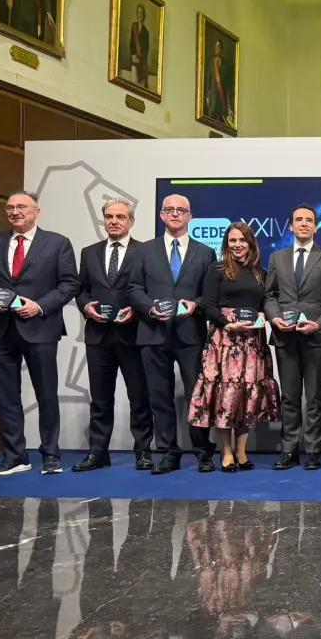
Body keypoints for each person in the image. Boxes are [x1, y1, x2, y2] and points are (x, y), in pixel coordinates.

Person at [0, 191, 78, 475]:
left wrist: (39, 306)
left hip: (40, 328)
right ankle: (15, 456)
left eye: (21, 207)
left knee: (46, 394)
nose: (15, 212)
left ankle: (51, 454)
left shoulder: (57, 243)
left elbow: (70, 284)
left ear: (36, 211)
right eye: (10, 208)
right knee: (6, 396)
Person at [126, 194, 218, 474]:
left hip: (190, 335)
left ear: (190, 217)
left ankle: (202, 451)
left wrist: (196, 304)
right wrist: (150, 308)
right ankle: (168, 452)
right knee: (159, 396)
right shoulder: (144, 250)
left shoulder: (205, 252)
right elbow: (134, 289)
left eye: (181, 210)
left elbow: (210, 294)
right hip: (153, 333)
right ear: (162, 215)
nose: (175, 214)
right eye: (169, 209)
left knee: (197, 396)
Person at [188, 223, 280, 473]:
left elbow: (266, 303)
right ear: (226, 244)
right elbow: (207, 305)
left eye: (242, 240)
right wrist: (228, 323)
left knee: (246, 396)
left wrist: (263, 316)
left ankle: (241, 451)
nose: (237, 245)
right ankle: (226, 451)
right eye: (232, 240)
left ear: (251, 243)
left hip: (252, 341)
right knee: (225, 395)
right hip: (224, 339)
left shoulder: (261, 272)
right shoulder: (217, 270)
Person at [73, 198, 151, 472]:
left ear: (131, 221)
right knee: (100, 398)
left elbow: (149, 290)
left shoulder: (145, 251)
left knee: (139, 397)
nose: (114, 221)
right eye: (109, 216)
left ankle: (143, 451)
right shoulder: (89, 252)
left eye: (120, 216)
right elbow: (81, 289)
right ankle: (98, 452)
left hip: (133, 334)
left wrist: (137, 310)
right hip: (98, 335)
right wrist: (86, 307)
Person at [264, 204, 321, 471]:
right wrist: (274, 318)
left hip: (316, 337)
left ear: (316, 227)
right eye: (299, 220)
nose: (304, 224)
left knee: (315, 397)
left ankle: (313, 451)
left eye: (309, 220)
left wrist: (318, 324)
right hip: (284, 336)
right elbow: (270, 295)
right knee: (289, 397)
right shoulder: (277, 257)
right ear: (291, 226)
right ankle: (289, 450)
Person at [123, 3, 150, 88]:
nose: (140, 15)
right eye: (138, 12)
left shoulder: (146, 32)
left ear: (144, 15)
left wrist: (139, 60)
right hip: (134, 59)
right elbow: (131, 44)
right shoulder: (134, 26)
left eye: (141, 13)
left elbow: (146, 51)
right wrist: (133, 55)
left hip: (141, 61)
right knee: (133, 67)